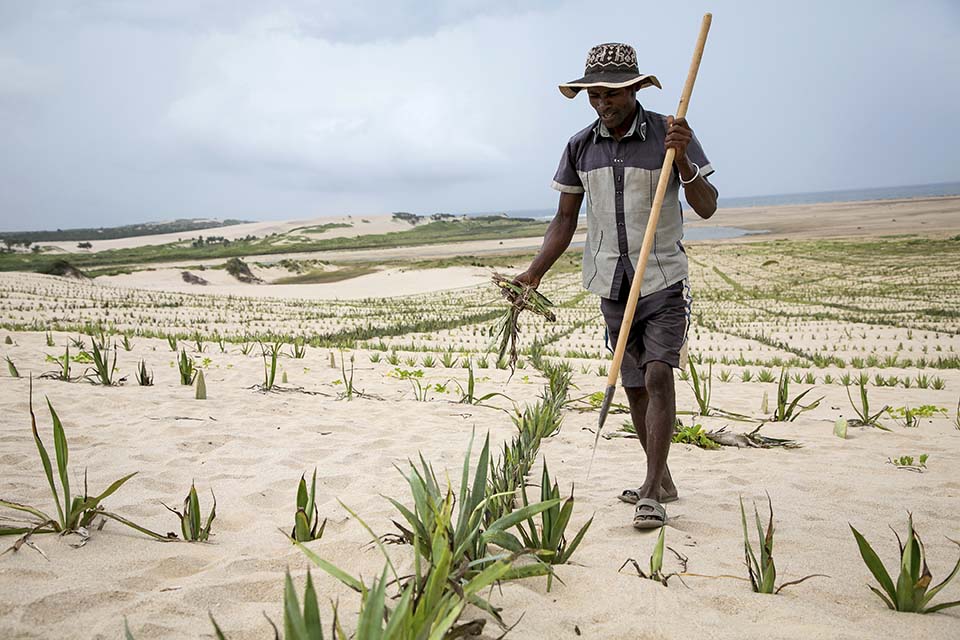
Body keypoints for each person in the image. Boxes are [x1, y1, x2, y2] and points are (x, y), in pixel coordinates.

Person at [514, 42, 718, 530]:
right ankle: (662, 477)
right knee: (633, 387)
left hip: (663, 277)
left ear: (633, 90)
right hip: (612, 282)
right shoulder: (580, 147)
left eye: (611, 94)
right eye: (594, 95)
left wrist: (684, 161)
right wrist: (534, 271)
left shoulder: (672, 135)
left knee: (658, 374)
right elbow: (564, 220)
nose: (602, 103)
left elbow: (707, 205)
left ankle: (651, 492)